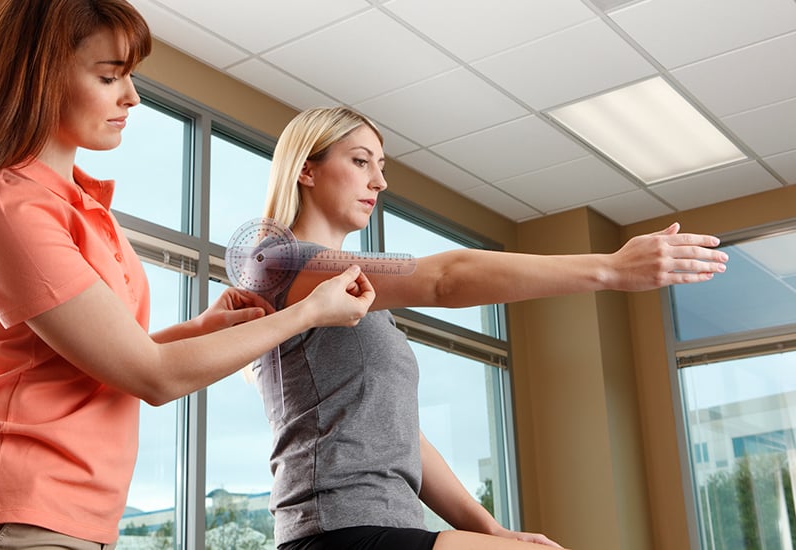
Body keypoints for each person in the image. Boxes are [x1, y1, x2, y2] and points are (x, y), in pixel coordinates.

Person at [0, 4, 375, 549]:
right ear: (36, 74)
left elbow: (107, 362)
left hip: (69, 516)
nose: (132, 97)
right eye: (109, 77)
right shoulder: (12, 209)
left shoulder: (80, 206)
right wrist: (309, 313)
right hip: (10, 510)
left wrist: (200, 329)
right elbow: (152, 376)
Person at [258, 106, 729, 550]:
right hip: (336, 530)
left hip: (391, 524)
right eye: (361, 161)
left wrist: (491, 530)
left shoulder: (358, 300)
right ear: (307, 168)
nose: (379, 181)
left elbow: (400, 433)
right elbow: (445, 279)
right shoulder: (286, 265)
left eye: (381, 166)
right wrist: (610, 269)